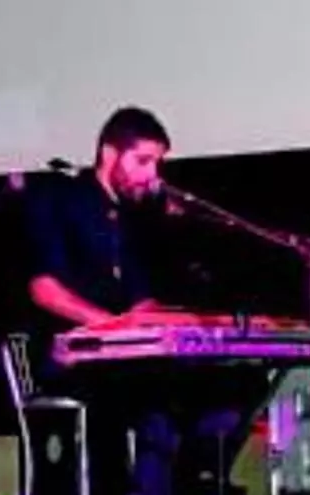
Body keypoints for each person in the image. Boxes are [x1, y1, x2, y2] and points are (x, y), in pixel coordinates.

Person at [22, 106, 251, 495]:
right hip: (70, 357)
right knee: (156, 398)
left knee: (233, 384)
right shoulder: (58, 198)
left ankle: (199, 480)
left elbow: (141, 304)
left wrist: (192, 325)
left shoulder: (130, 217)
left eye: (157, 163)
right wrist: (113, 328)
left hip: (121, 358)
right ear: (109, 153)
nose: (152, 175)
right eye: (143, 161)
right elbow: (44, 289)